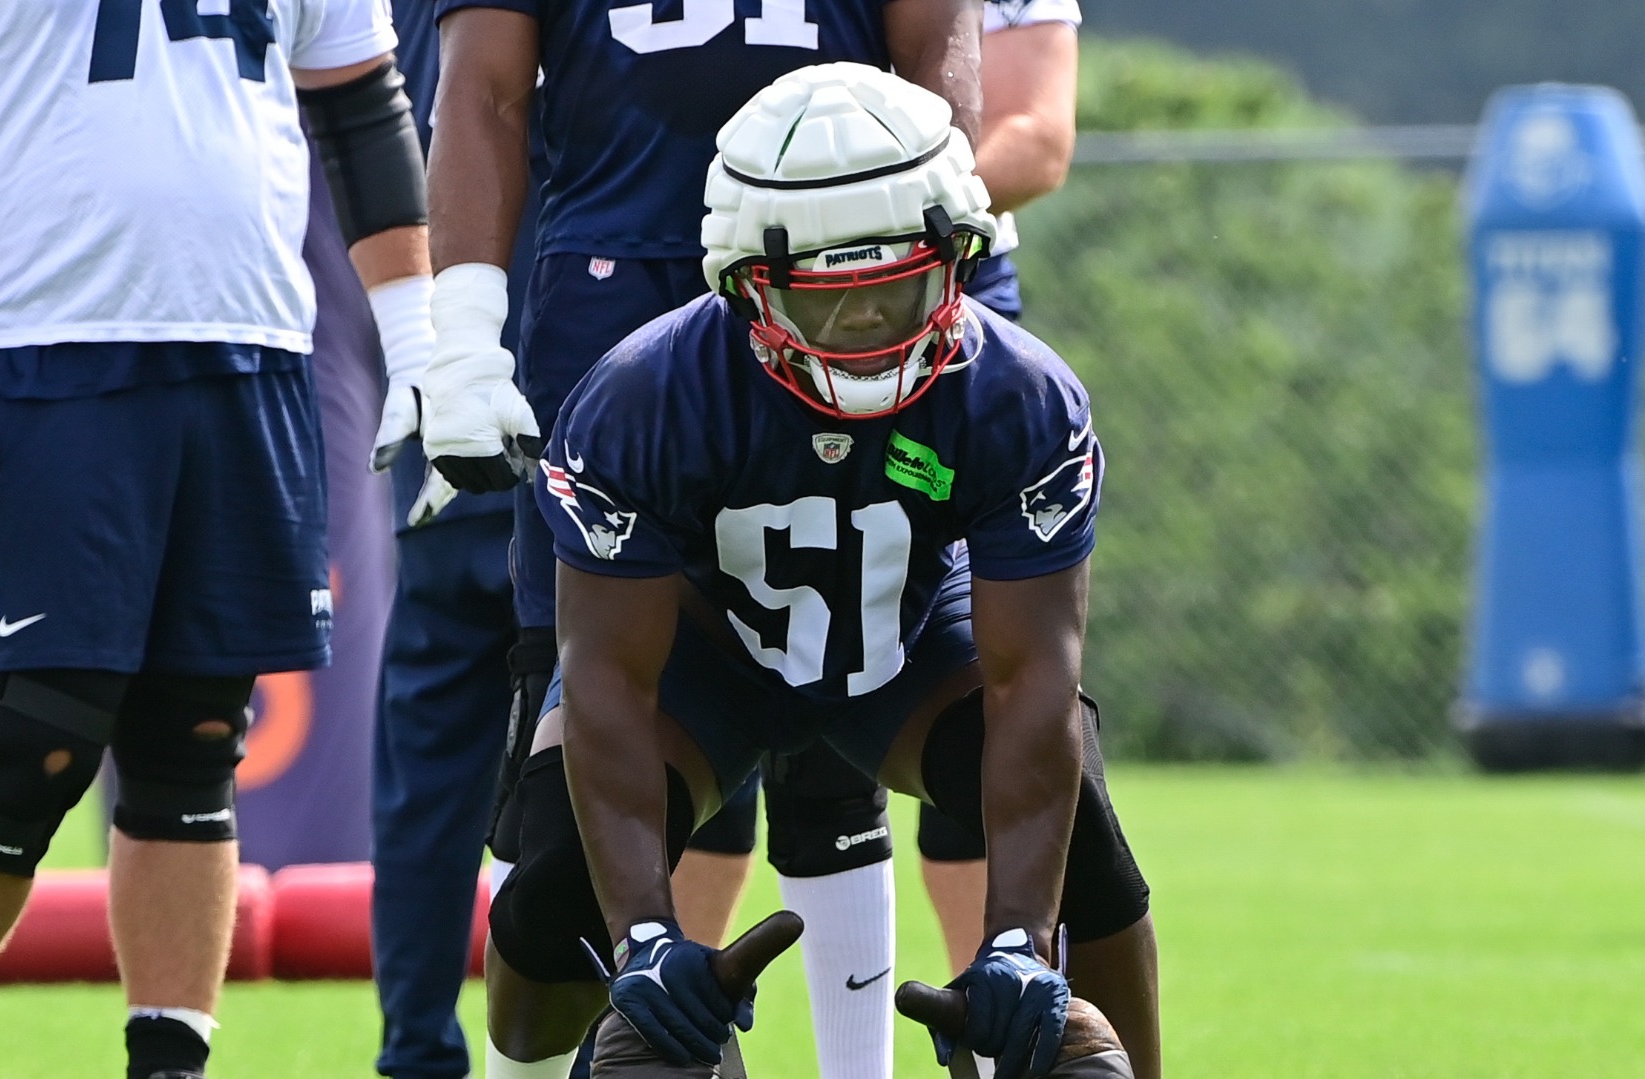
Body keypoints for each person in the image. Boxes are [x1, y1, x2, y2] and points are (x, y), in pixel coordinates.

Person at [435, 63, 1162, 1079]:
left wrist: (1016, 942)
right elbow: (606, 679)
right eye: (832, 303)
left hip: (906, 641)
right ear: (747, 287)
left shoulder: (1019, 398)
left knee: (1075, 822)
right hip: (706, 657)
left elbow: (1032, 679)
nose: (870, 331)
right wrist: (646, 936)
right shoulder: (643, 397)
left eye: (896, 288)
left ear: (957, 257)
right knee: (553, 900)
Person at [0, 1, 430, 1076]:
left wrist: (418, 335)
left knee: (194, 735)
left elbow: (362, 106)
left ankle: (169, 1065)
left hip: (255, 342)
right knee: (33, 733)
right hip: (53, 347)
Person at [363, 3, 538, 1078]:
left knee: (432, 758)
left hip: (448, 381)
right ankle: (592, 1042)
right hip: (574, 385)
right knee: (617, 743)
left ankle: (416, 1050)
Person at [918, 0, 1084, 975]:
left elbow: (1037, 137)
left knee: (987, 673)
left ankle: (994, 1010)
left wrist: (861, 210)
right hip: (765, 293)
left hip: (956, 292)